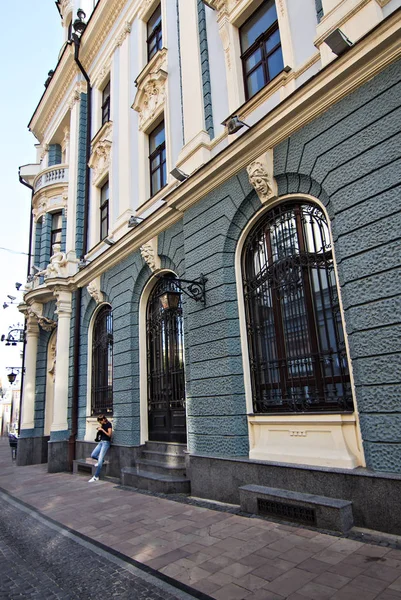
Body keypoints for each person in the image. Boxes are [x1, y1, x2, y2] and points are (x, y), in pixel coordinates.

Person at [88, 415, 112, 482]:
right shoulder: (103, 425)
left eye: (100, 421)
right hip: (101, 442)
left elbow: (109, 435)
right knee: (93, 455)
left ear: (104, 419)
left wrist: (102, 430)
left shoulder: (109, 424)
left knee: (100, 460)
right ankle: (102, 461)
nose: (100, 422)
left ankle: (96, 476)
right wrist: (99, 429)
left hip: (106, 443)